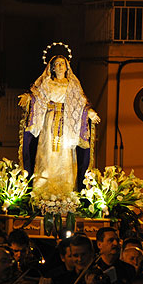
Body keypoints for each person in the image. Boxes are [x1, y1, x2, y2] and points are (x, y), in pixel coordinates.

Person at [18, 50, 100, 196]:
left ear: (67, 67)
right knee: (47, 151)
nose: (60, 66)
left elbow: (81, 103)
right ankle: (43, 187)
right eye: (57, 64)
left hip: (68, 123)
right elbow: (37, 96)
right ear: (52, 68)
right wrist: (28, 97)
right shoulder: (47, 83)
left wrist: (90, 112)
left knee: (65, 153)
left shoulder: (72, 84)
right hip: (49, 121)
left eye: (62, 64)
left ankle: (66, 189)